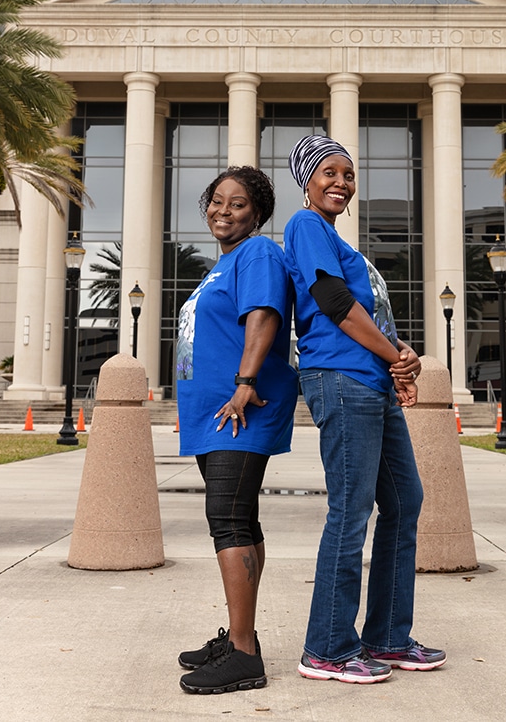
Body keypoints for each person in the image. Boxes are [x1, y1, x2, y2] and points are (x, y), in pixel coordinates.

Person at [283, 134, 446, 685]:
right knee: (351, 510)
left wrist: (398, 367)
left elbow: (367, 313)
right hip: (340, 379)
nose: (341, 182)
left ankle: (387, 637)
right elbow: (332, 303)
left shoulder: (336, 240)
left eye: (348, 175)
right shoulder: (305, 227)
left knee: (405, 501)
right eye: (328, 172)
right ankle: (327, 647)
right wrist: (397, 353)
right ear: (306, 181)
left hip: (370, 384)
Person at [175, 166, 298, 695]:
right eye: (217, 201)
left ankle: (245, 654)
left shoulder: (258, 254)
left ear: (258, 214)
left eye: (238, 203)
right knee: (239, 517)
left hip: (241, 408)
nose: (224, 210)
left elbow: (265, 316)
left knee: (225, 518)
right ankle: (241, 637)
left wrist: (245, 382)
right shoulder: (223, 264)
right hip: (215, 413)